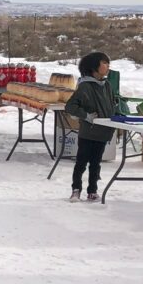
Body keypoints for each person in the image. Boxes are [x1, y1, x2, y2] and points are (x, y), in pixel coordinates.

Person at [63, 51, 115, 202]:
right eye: (104, 63)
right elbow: (70, 107)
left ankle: (92, 191)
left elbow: (112, 105)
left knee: (96, 164)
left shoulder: (107, 85)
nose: (108, 66)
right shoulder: (84, 86)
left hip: (103, 132)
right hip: (88, 133)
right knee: (81, 162)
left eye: (108, 63)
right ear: (93, 67)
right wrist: (86, 116)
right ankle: (76, 190)